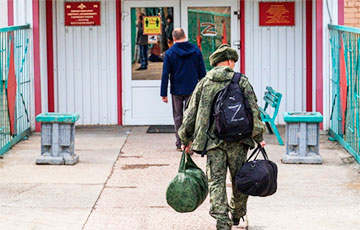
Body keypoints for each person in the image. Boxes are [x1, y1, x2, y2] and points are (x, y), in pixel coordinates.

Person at [178, 44, 266, 230]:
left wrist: (186, 139)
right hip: (239, 141)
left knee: (216, 181)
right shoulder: (241, 81)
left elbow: (191, 114)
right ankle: (237, 213)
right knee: (239, 179)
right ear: (228, 61)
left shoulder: (204, 83)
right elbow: (253, 110)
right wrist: (258, 136)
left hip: (213, 143)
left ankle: (222, 220)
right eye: (233, 61)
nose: (233, 64)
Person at [160, 28, 206, 151]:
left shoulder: (170, 53)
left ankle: (180, 142)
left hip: (176, 89)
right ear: (185, 35)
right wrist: (204, 88)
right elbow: (202, 71)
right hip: (192, 89)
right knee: (191, 115)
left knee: (178, 116)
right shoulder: (196, 50)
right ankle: (190, 141)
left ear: (174, 39)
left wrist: (163, 93)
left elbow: (165, 74)